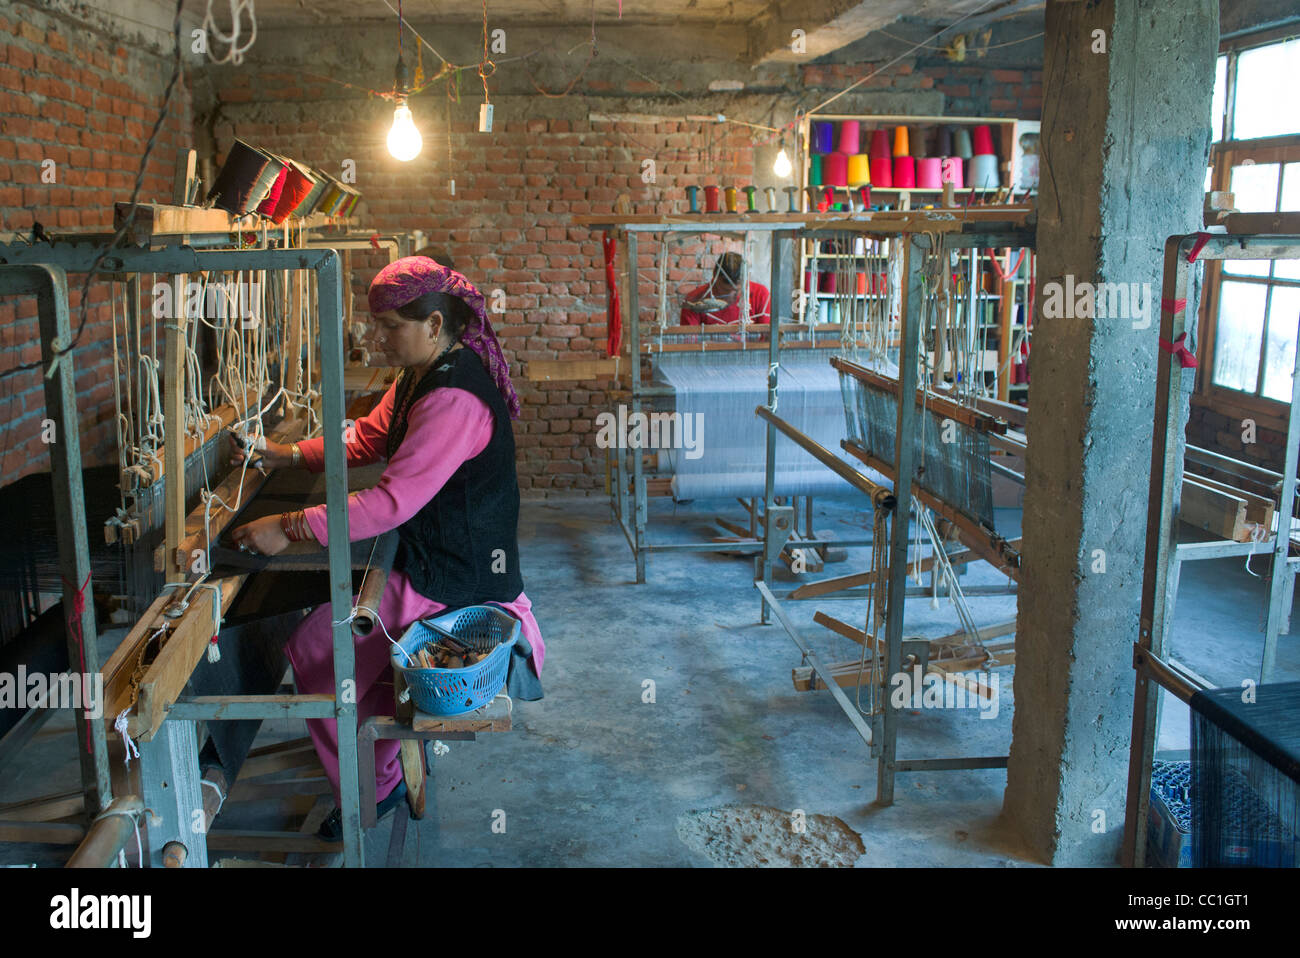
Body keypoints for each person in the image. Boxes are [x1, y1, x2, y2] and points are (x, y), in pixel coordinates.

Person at [229, 257, 543, 840]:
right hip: (432, 560)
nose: (379, 338)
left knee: (319, 649)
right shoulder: (422, 375)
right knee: (331, 648)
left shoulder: (454, 395)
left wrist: (291, 525)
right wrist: (287, 455)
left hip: (456, 581)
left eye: (391, 326)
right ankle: (376, 756)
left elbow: (392, 503)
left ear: (432, 324)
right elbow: (369, 437)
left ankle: (376, 786)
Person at [679, 252, 771, 326]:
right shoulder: (694, 300)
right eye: (726, 291)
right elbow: (690, 343)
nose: (731, 296)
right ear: (715, 275)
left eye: (737, 291)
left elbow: (767, 338)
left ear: (746, 280)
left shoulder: (760, 294)